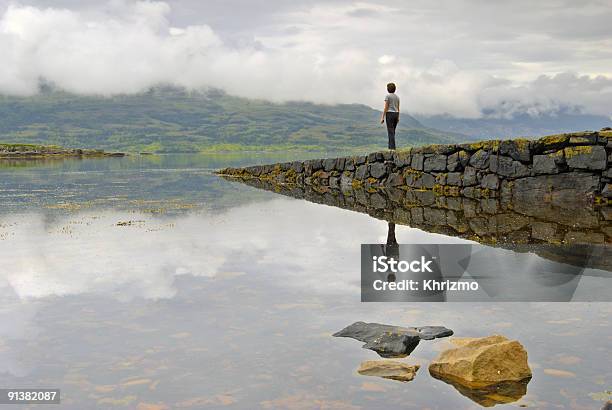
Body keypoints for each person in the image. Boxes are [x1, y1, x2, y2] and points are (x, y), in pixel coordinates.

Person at [380, 82, 400, 150]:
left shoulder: (387, 96)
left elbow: (386, 107)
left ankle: (392, 149)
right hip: (396, 114)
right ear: (395, 89)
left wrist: (382, 117)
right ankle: (390, 147)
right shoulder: (397, 97)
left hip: (390, 114)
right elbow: (398, 107)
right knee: (393, 131)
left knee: (390, 131)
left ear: (388, 89)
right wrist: (398, 117)